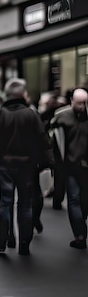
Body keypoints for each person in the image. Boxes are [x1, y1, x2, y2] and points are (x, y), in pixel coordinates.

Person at [0, 78, 50, 256]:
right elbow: (42, 139)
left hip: (5, 165)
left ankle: (1, 240)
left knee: (5, 203)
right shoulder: (31, 115)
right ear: (23, 94)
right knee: (25, 205)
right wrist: (45, 163)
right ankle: (24, 243)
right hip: (27, 165)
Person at [49, 88, 88, 249]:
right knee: (74, 198)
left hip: (84, 165)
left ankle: (80, 228)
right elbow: (50, 134)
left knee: (82, 199)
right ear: (72, 101)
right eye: (79, 103)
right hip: (70, 165)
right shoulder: (61, 116)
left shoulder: (62, 116)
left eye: (84, 103)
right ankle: (80, 234)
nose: (81, 106)